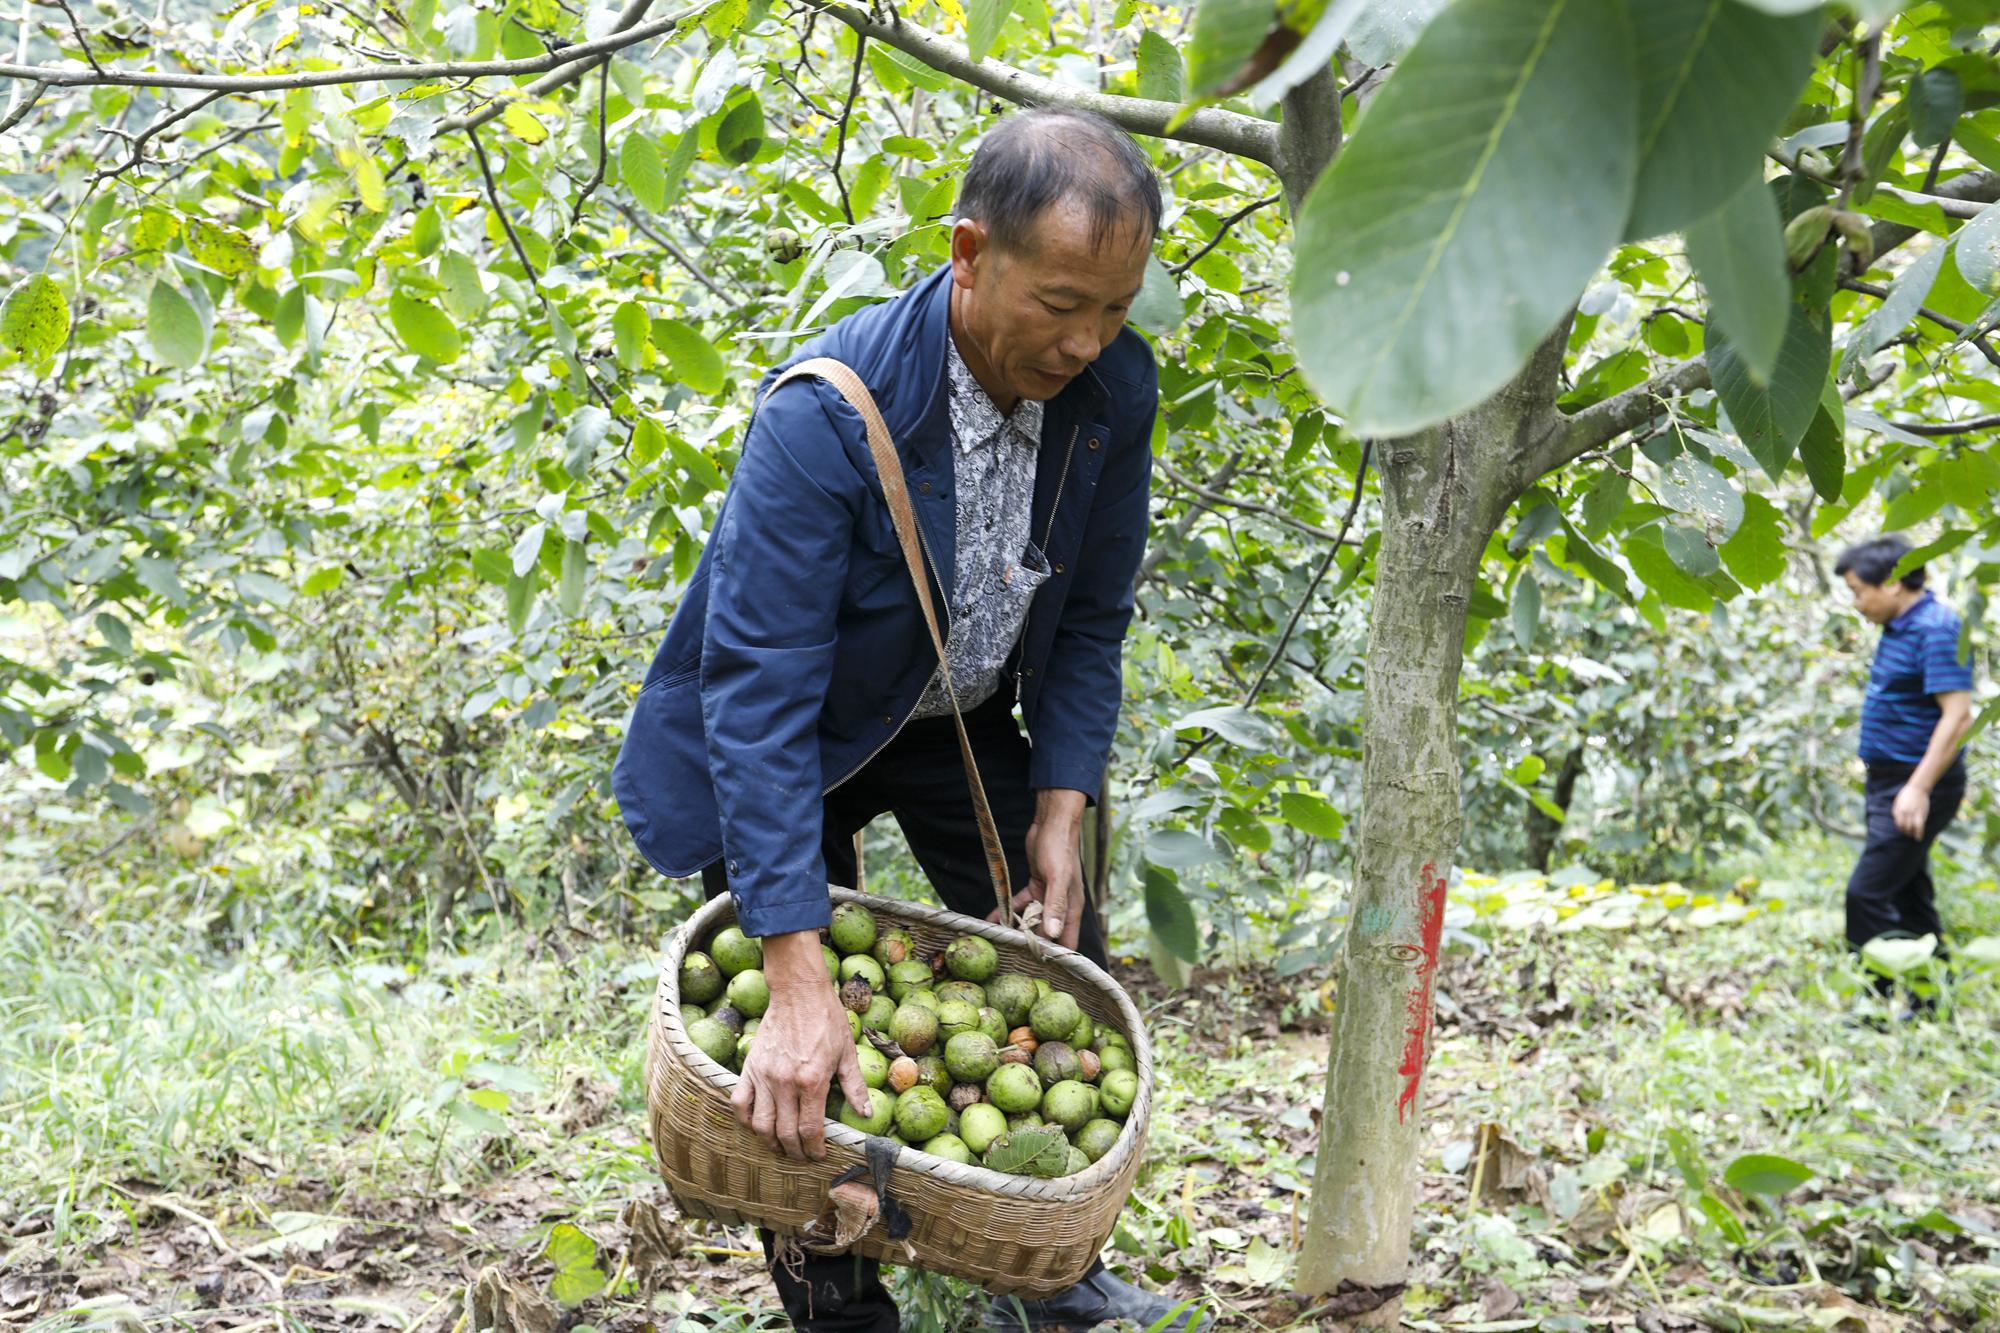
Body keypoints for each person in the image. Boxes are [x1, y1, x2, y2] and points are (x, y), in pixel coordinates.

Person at [614, 109, 1201, 1332]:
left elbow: (1091, 618)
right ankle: (834, 1290)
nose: (1086, 340)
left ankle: (1043, 1268)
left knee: (1047, 974)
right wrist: (791, 964)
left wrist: (1060, 800)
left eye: (1116, 306)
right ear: (969, 253)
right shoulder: (820, 416)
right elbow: (759, 690)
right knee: (793, 1033)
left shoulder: (1112, 393)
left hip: (959, 716)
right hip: (805, 742)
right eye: (1058, 302)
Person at [1834, 535, 1975, 1004]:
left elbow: (1957, 716)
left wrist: (1916, 788)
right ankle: (1933, 998)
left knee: (1866, 894)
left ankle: (1872, 1005)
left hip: (1918, 782)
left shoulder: (1938, 627)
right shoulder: (1902, 625)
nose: (1857, 603)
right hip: (1890, 779)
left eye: (1858, 590)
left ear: (1892, 582)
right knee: (1910, 892)